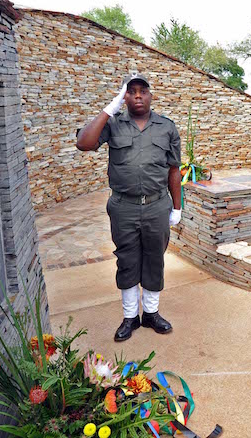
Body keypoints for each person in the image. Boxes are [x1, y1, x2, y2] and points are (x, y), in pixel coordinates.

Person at [77, 73, 182, 342]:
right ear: (124, 96)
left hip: (157, 205)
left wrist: (177, 207)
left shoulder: (166, 127)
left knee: (155, 259)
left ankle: (151, 313)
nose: (137, 95)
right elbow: (84, 143)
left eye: (142, 91)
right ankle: (129, 317)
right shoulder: (113, 124)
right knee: (127, 260)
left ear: (150, 95)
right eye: (130, 91)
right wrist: (109, 109)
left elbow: (173, 170)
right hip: (124, 206)